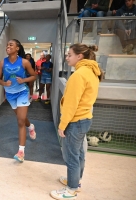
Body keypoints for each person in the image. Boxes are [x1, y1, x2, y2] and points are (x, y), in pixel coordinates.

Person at [50, 43, 102, 200]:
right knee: (79, 154)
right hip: (84, 119)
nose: (67, 57)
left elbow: (71, 105)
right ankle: (75, 182)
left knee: (71, 156)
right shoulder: (92, 71)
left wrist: (62, 125)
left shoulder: (79, 75)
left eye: (69, 55)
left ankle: (71, 189)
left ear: (80, 56)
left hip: (75, 121)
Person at [0, 39, 37, 163]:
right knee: (22, 118)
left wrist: (24, 81)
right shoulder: (2, 62)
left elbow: (34, 75)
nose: (8, 46)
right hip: (10, 95)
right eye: (7, 45)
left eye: (11, 45)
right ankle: (30, 126)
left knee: (20, 121)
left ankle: (21, 152)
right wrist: (4, 83)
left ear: (17, 48)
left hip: (22, 93)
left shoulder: (24, 62)